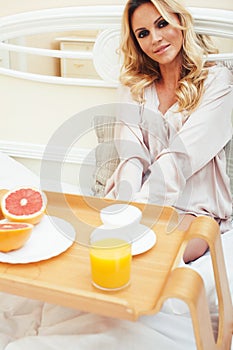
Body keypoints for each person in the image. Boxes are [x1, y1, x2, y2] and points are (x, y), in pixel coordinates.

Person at [104, 0, 233, 263]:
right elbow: (131, 156)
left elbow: (180, 158)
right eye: (143, 33)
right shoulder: (135, 87)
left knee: (147, 260)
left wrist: (140, 211)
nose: (155, 38)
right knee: (101, 258)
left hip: (195, 209)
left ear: (180, 21)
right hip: (134, 201)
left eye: (162, 23)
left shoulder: (216, 82)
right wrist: (127, 206)